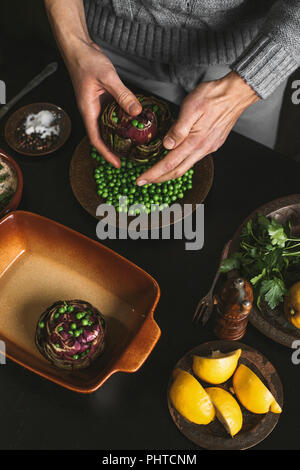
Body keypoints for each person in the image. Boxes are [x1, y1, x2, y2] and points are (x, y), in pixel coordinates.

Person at [44, 0, 300, 185]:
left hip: (254, 54)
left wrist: (250, 82)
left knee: (252, 176)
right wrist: (75, 42)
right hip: (109, 52)